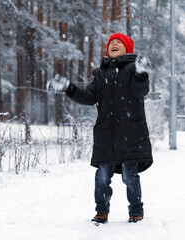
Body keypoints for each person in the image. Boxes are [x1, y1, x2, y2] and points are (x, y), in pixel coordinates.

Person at [47, 33, 153, 224]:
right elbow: (88, 97)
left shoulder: (133, 69)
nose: (113, 44)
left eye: (118, 42)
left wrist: (140, 73)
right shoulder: (100, 73)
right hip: (106, 136)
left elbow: (141, 91)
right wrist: (69, 88)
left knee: (130, 177)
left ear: (127, 48)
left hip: (131, 135)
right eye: (111, 42)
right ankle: (101, 211)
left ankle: (136, 211)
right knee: (102, 178)